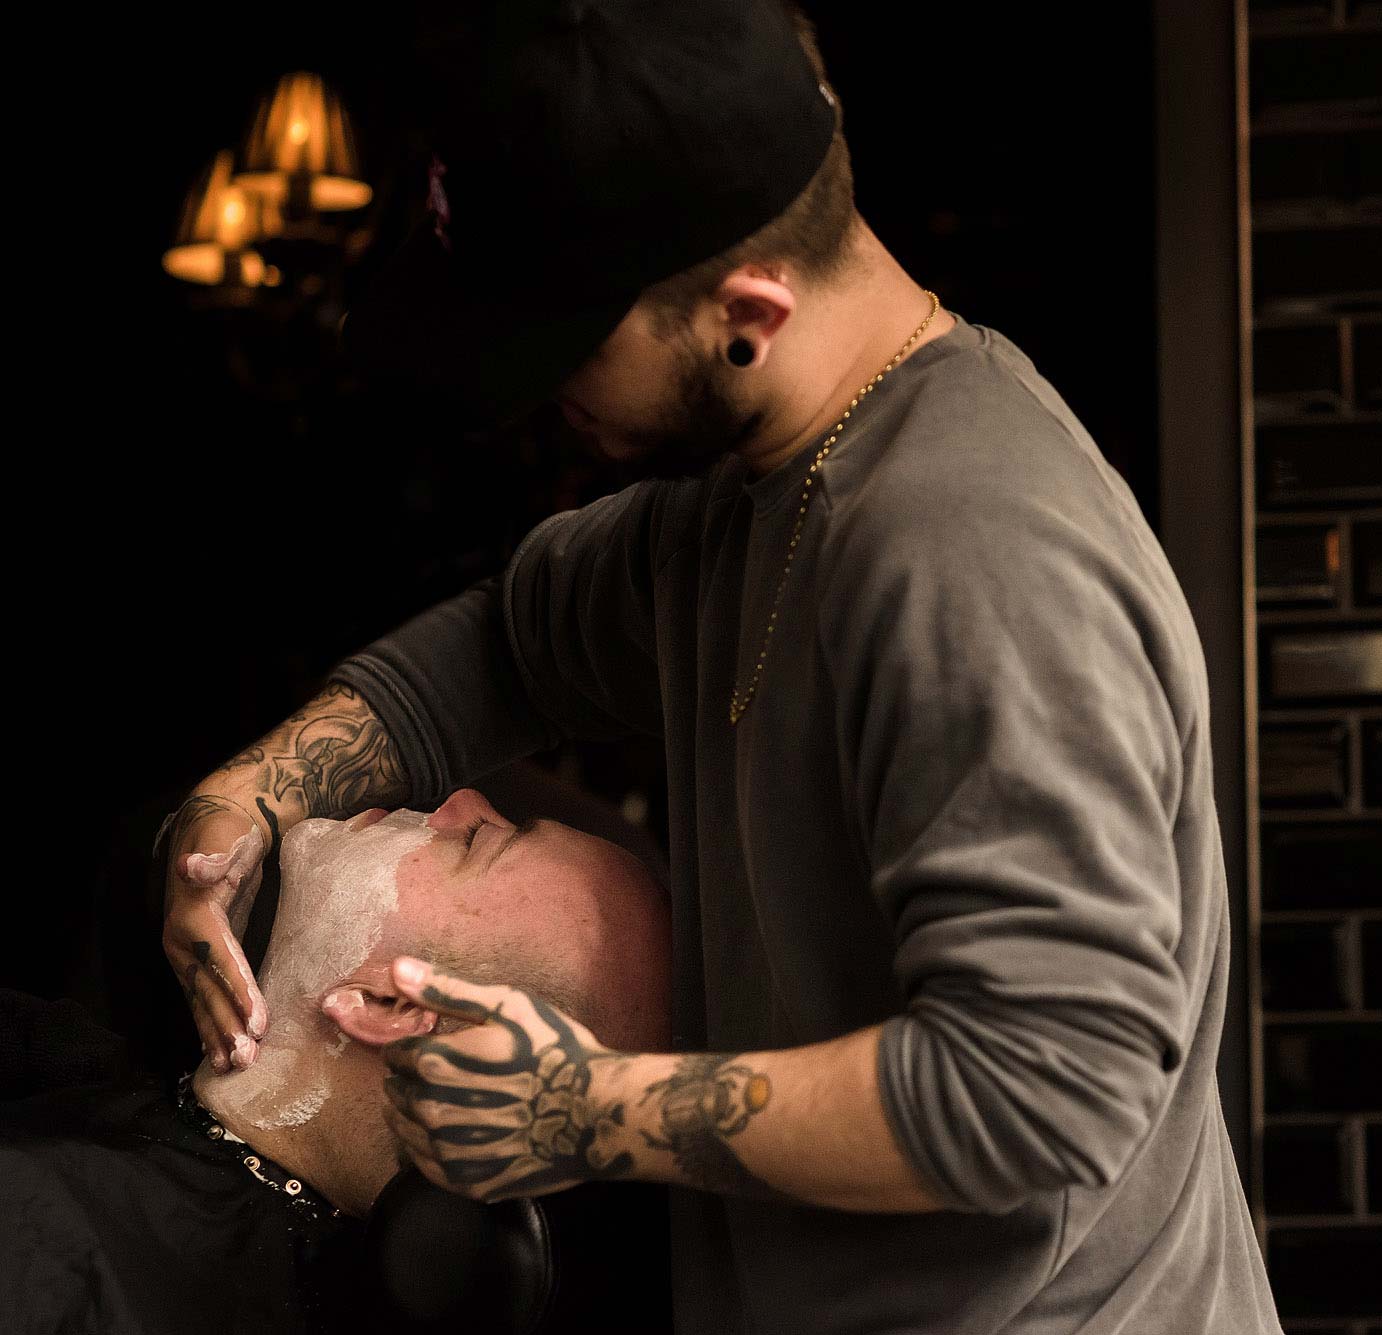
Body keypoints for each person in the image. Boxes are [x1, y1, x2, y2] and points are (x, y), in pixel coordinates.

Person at [158, 3, 1281, 1332]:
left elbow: (1045, 1083)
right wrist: (247, 799)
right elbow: (500, 644)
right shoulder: (752, 497)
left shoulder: (968, 554)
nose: (538, 391)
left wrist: (586, 1108)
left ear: (747, 309)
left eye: (568, 339)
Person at [5, 790, 671, 1334]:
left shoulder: (61, 1265)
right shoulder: (62, 1060)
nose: (462, 801)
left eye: (479, 840)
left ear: (385, 1004)